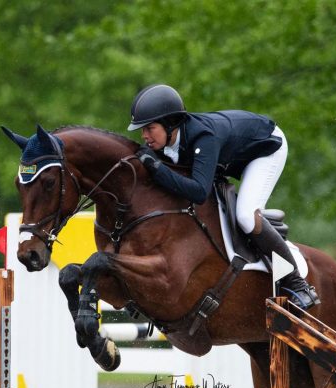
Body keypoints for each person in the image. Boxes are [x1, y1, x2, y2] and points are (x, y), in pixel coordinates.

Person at [128, 84, 320, 309]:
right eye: (143, 130)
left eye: (150, 128)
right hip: (232, 154)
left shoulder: (203, 138)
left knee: (246, 216)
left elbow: (199, 192)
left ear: (170, 124)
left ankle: (297, 284)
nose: (144, 135)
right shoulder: (167, 140)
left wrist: (158, 169)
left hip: (266, 148)